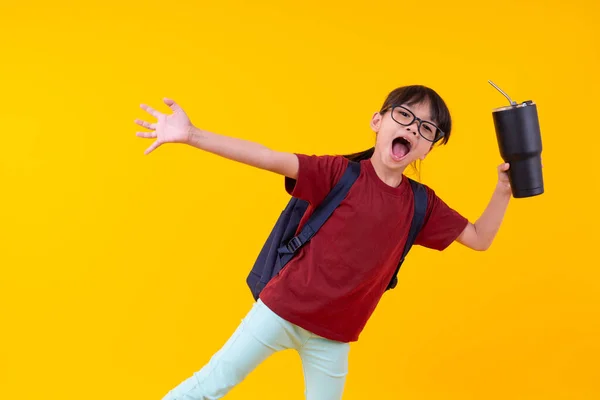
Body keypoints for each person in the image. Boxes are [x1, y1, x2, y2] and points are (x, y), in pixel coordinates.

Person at [134, 85, 512, 400]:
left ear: (429, 148)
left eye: (427, 129)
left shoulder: (422, 203)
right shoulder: (338, 173)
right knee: (211, 384)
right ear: (378, 122)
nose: (413, 130)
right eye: (405, 116)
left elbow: (479, 238)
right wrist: (191, 135)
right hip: (279, 312)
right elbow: (267, 157)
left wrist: (503, 189)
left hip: (333, 339)